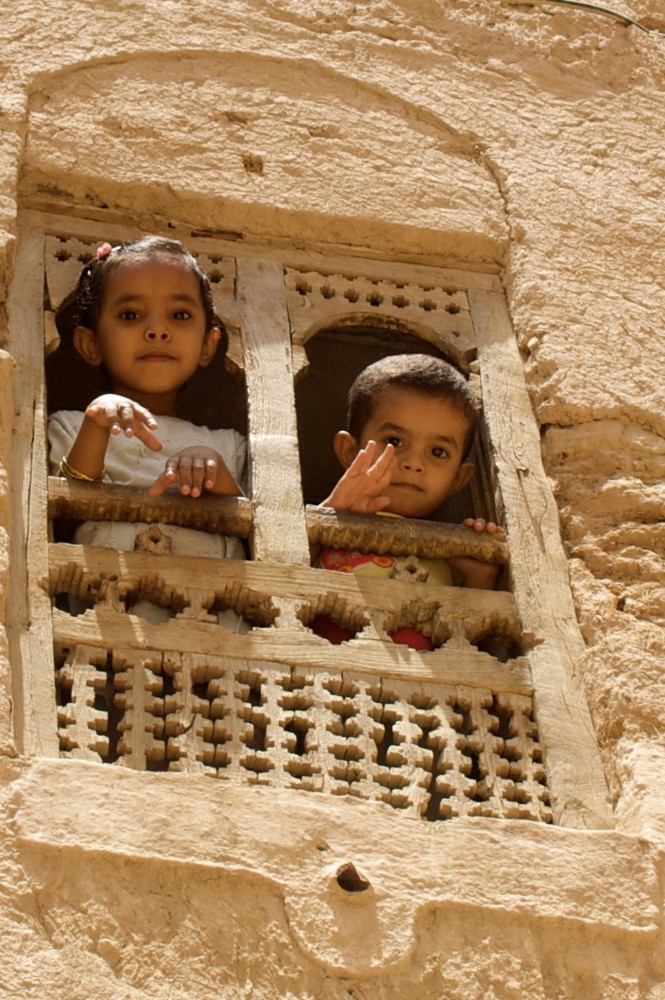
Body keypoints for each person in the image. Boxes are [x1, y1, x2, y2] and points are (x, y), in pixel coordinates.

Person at [48, 235, 246, 624]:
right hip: (106, 618)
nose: (157, 330)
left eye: (180, 315)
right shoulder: (72, 425)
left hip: (210, 626)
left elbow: (254, 540)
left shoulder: (227, 445)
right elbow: (61, 520)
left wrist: (217, 475)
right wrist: (97, 424)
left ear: (209, 345)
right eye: (130, 316)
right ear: (89, 344)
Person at [312, 353, 505, 649]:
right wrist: (329, 514)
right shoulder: (329, 521)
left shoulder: (453, 556)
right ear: (350, 451)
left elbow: (474, 644)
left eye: (438, 452)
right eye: (395, 442)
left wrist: (480, 575)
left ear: (458, 479)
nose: (414, 462)